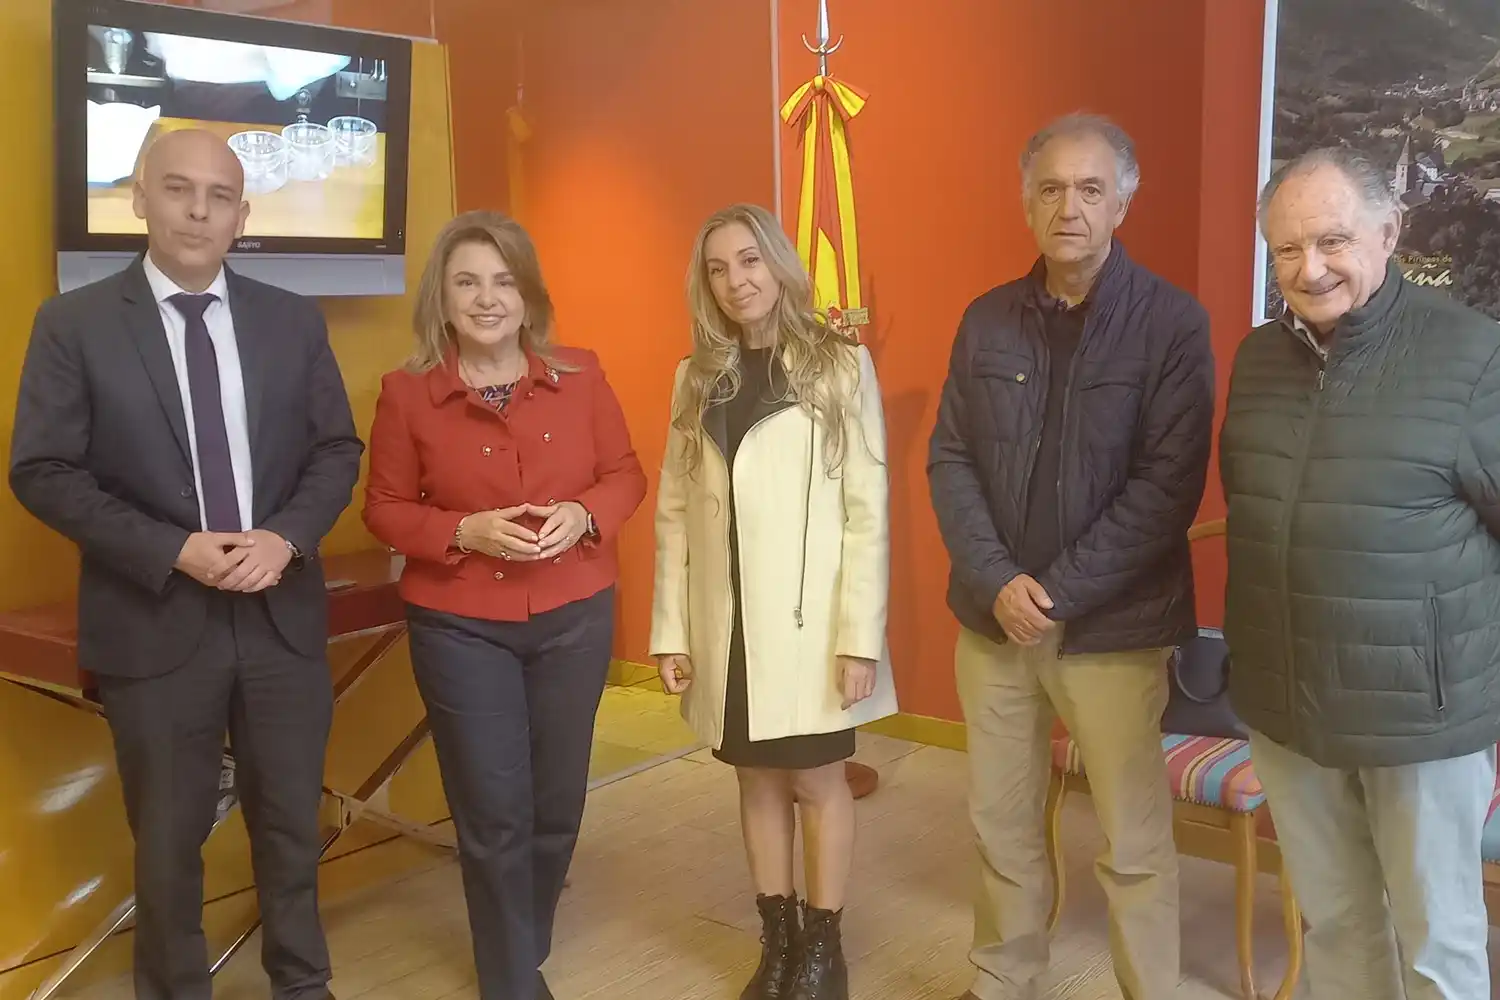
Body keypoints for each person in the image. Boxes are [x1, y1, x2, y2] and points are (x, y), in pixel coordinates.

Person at [9, 129, 362, 1000]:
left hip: (279, 615)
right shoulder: (73, 324)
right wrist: (173, 549)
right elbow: (41, 470)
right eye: (179, 190)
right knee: (168, 841)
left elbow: (335, 450)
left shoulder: (291, 319)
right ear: (138, 198)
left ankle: (303, 986)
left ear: (243, 215)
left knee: (290, 827)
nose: (199, 210)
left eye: (220, 196)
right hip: (155, 618)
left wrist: (285, 538)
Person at [928, 113, 1215, 1000]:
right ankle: (1003, 977)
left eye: (1092, 189)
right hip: (993, 625)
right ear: (1026, 201)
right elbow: (951, 459)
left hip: (1113, 632)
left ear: (1123, 201)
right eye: (1051, 188)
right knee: (1000, 824)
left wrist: (1050, 592)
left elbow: (1167, 490)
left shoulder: (1171, 324)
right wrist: (995, 579)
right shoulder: (986, 321)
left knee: (1131, 841)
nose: (1070, 207)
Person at [1221, 146, 1500, 1000]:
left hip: (1419, 715)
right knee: (1336, 926)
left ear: (1388, 233)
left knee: (1436, 945)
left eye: (1334, 240)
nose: (1311, 269)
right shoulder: (1258, 358)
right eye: (1286, 250)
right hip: (1287, 705)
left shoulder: (1473, 353)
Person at [362, 209, 647, 1000]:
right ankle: (509, 978)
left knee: (555, 803)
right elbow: (383, 507)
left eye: (503, 280)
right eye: (467, 282)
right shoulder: (407, 393)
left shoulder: (583, 374)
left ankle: (523, 942)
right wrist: (465, 529)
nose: (487, 298)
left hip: (574, 615)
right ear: (442, 299)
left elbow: (626, 474)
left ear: (528, 294)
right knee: (492, 810)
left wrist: (587, 514)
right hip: (460, 627)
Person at [650, 203, 897, 1000]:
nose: (736, 282)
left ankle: (825, 949)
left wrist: (859, 637)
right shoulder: (697, 378)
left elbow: (868, 508)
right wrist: (670, 629)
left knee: (818, 783)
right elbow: (675, 512)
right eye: (718, 268)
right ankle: (779, 942)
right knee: (755, 782)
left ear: (779, 265)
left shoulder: (838, 366)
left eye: (749, 261)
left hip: (808, 625)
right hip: (729, 626)